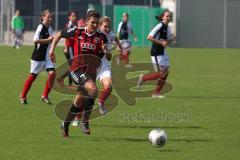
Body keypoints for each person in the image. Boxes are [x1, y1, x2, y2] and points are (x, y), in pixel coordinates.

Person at [49, 11, 109, 137]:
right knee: (93, 90)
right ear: (87, 21)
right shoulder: (77, 31)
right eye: (92, 22)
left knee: (79, 102)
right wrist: (51, 50)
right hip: (77, 70)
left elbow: (107, 55)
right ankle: (85, 121)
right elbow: (60, 33)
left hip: (91, 72)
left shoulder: (102, 36)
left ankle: (65, 124)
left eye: (97, 23)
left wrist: (107, 51)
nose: (94, 25)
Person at [72, 16, 123, 127]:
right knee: (84, 95)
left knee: (109, 86)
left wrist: (119, 47)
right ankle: (77, 117)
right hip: (91, 67)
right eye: (105, 26)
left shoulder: (110, 34)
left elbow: (115, 38)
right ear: (99, 26)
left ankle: (101, 101)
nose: (107, 28)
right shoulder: (96, 35)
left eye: (109, 26)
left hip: (104, 66)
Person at [137, 10, 176, 98]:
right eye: (167, 16)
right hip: (156, 52)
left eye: (170, 16)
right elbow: (149, 37)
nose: (169, 17)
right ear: (162, 17)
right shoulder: (159, 26)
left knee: (166, 72)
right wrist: (160, 43)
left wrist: (172, 39)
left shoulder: (168, 27)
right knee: (161, 72)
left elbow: (166, 42)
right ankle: (143, 78)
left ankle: (156, 93)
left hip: (163, 52)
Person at [19, 9, 55, 105]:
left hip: (47, 57)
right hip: (38, 57)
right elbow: (35, 40)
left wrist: (52, 52)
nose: (50, 19)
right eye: (48, 17)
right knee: (32, 77)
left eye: (51, 17)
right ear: (43, 17)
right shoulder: (40, 27)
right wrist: (47, 40)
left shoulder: (50, 28)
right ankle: (22, 95)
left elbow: (50, 42)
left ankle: (45, 95)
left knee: (52, 74)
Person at [57, 11, 79, 87]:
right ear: (69, 17)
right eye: (73, 16)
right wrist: (66, 48)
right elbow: (66, 37)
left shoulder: (75, 25)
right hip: (69, 47)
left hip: (73, 47)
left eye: (76, 16)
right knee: (72, 65)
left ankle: (62, 78)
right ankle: (69, 83)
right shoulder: (69, 25)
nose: (74, 17)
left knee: (72, 65)